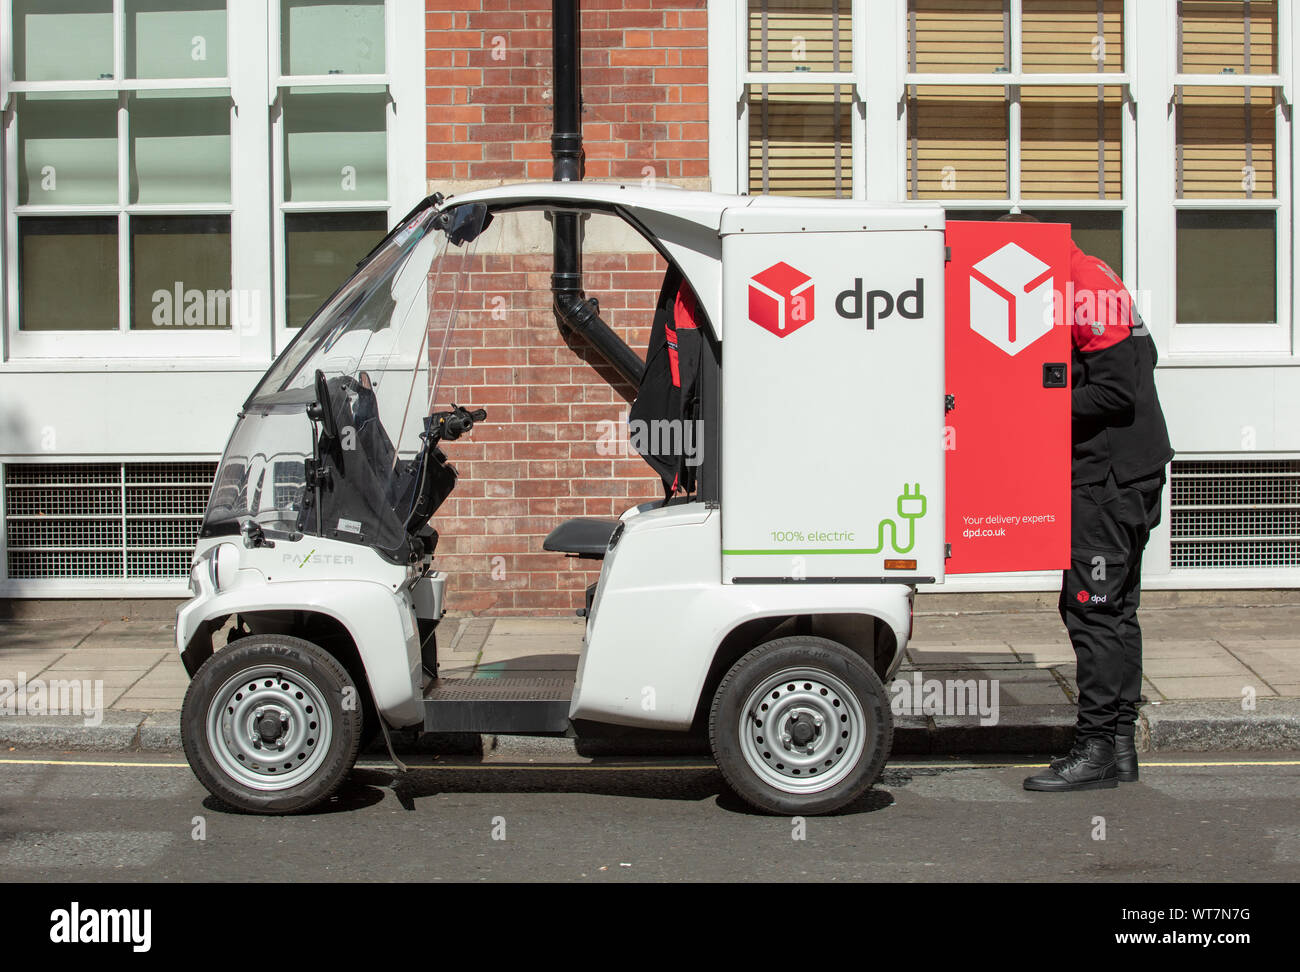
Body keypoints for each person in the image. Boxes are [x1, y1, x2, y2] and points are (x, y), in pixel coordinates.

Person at [1018, 227, 1175, 792]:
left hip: (1107, 482)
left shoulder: (1080, 287)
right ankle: (1121, 746)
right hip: (1131, 472)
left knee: (1091, 610)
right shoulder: (1095, 275)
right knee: (1116, 611)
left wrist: (1035, 400)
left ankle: (1095, 751)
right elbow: (1146, 358)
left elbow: (1114, 392)